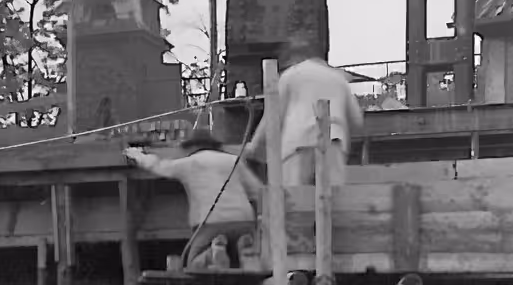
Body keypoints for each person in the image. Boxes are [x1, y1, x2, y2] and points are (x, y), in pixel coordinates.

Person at [124, 134, 264, 264]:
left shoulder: (191, 162)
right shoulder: (233, 160)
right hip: (244, 221)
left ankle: (211, 253)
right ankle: (243, 251)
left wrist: (136, 155)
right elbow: (258, 190)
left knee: (193, 264)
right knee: (242, 261)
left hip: (211, 223)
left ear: (192, 147)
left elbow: (160, 166)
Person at [244, 37, 363, 187]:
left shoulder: (291, 75)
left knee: (296, 197)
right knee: (333, 197)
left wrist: (253, 148)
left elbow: (272, 118)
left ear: (294, 57)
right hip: (333, 142)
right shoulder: (339, 79)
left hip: (298, 146)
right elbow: (357, 121)